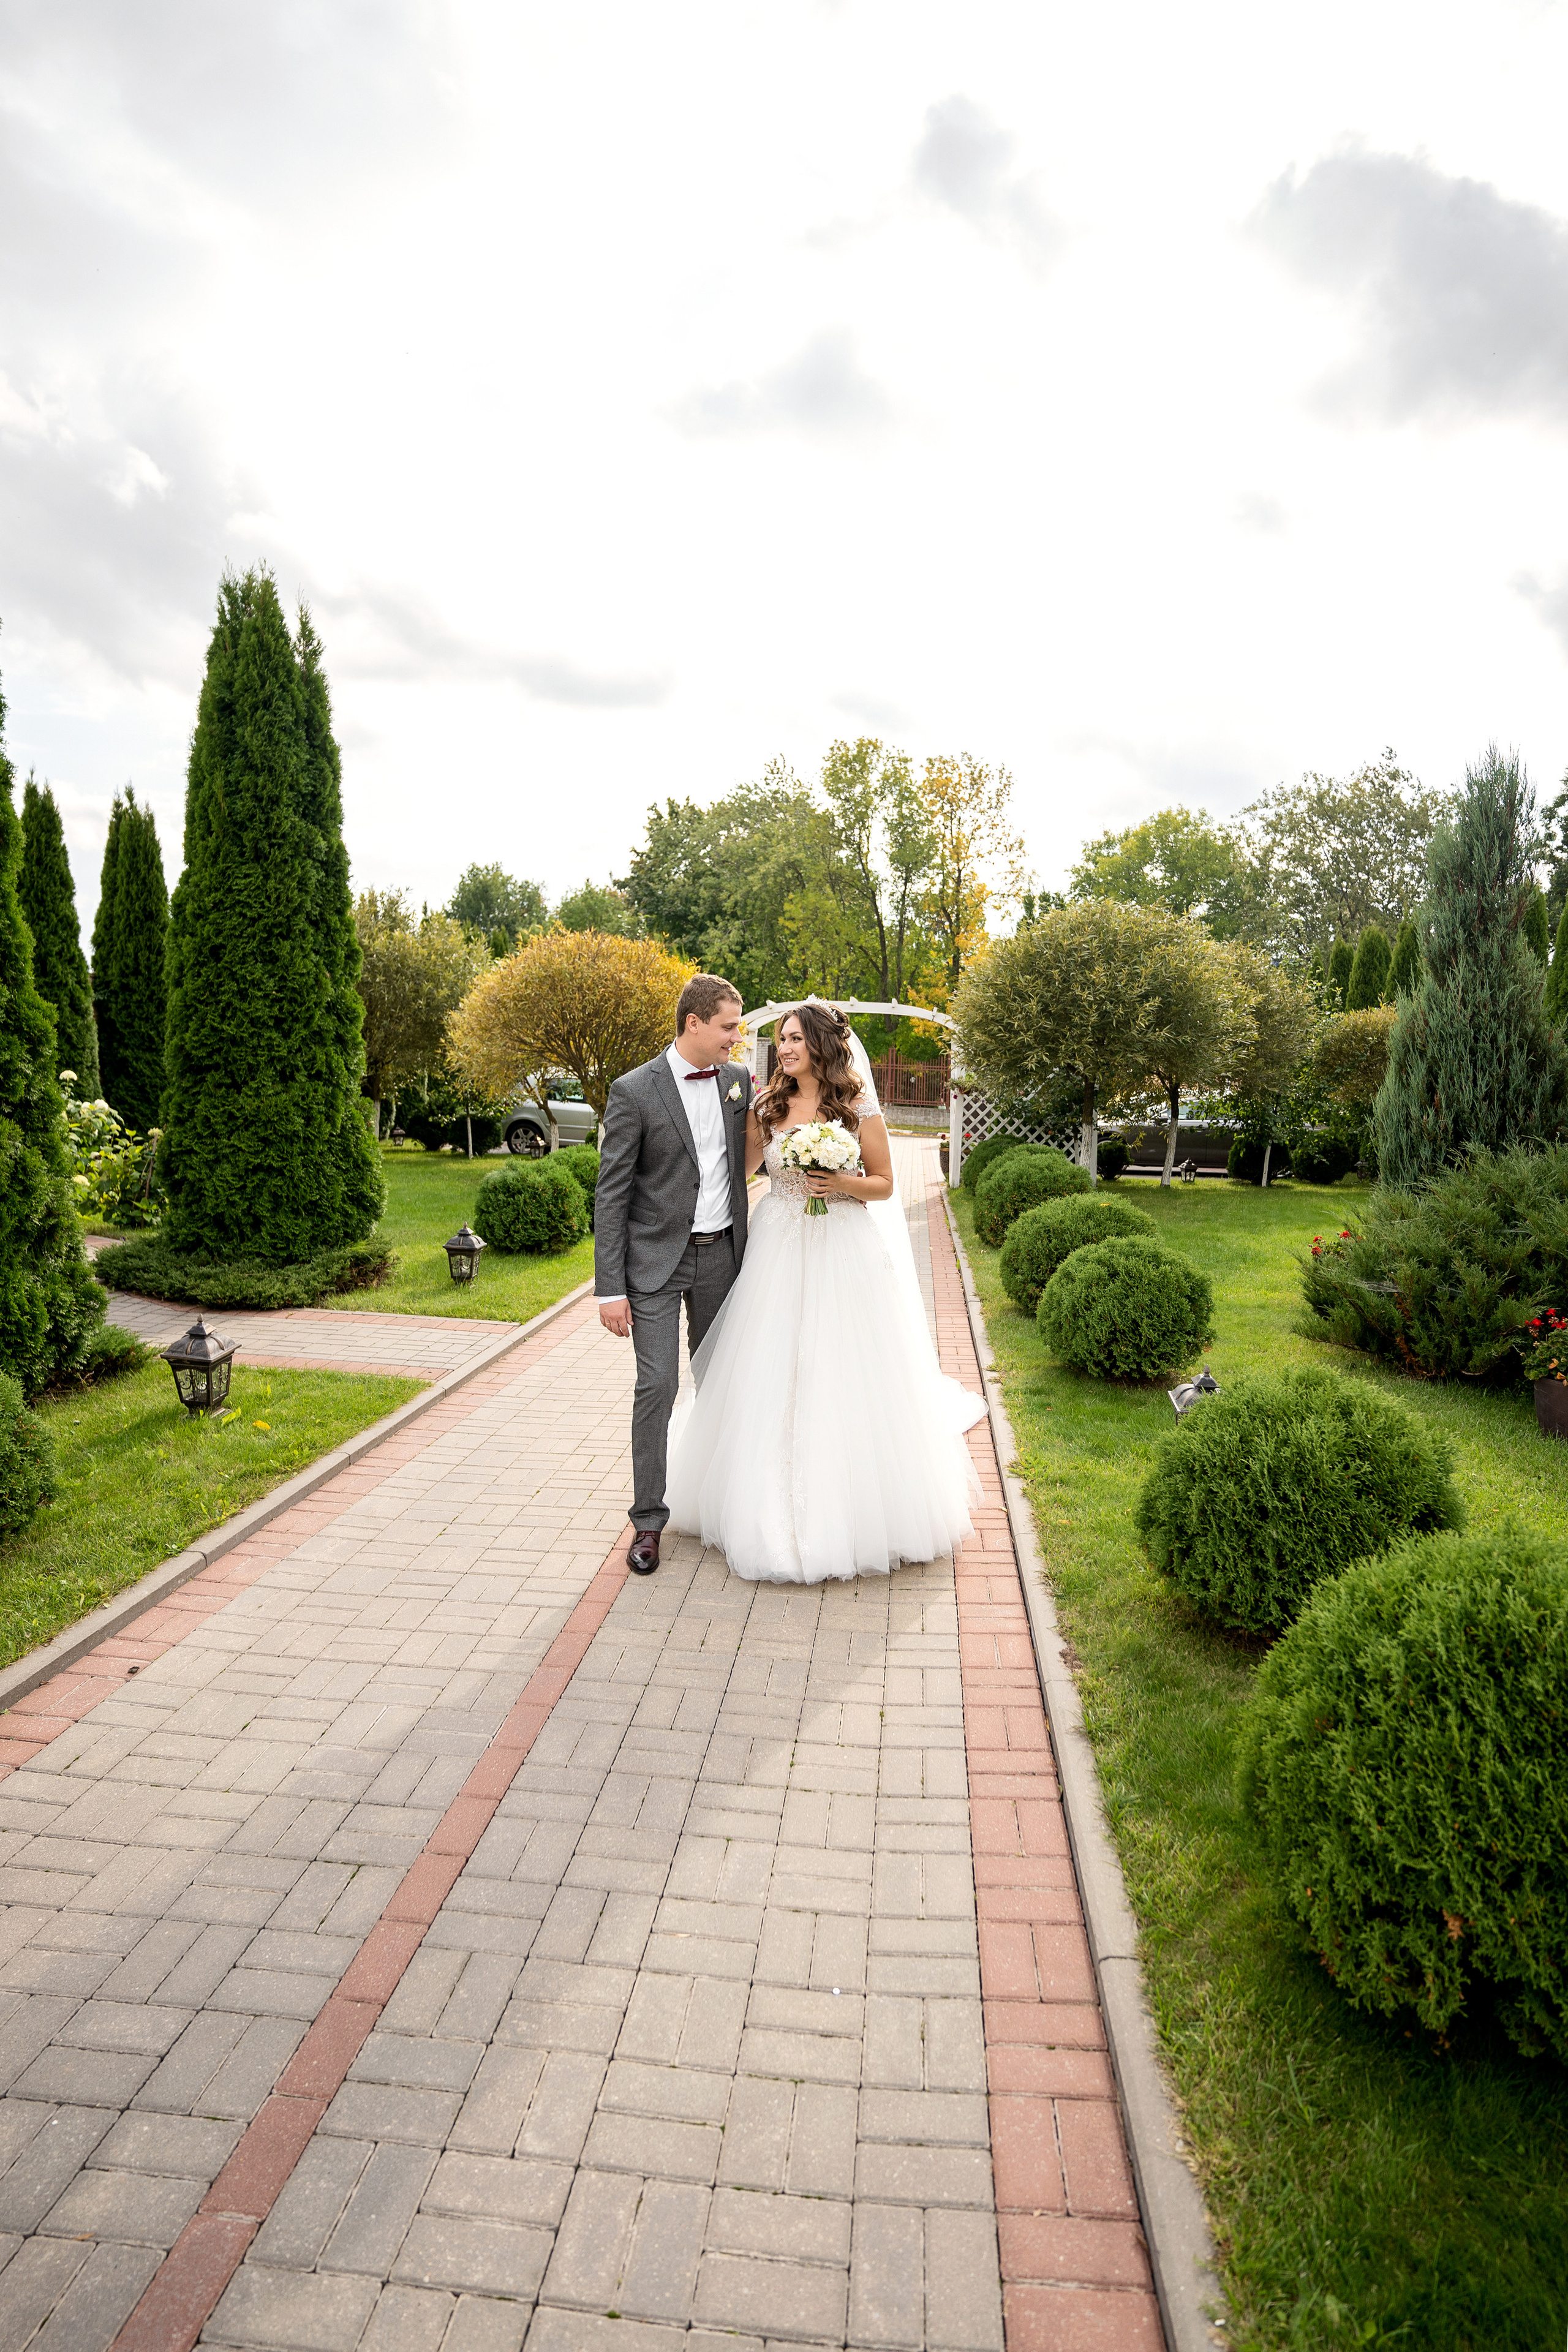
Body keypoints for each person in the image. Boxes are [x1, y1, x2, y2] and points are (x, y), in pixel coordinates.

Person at [665, 998, 984, 1585]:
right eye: (781, 1039)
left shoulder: (856, 1105)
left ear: (821, 1045)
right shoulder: (768, 1105)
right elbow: (737, 1172)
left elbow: (884, 1184)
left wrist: (839, 1181)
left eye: (794, 1039)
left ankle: (853, 1506)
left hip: (843, 1246)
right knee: (772, 1364)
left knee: (842, 1365)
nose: (784, 1049)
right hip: (778, 1246)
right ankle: (759, 1497)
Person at [594, 973, 755, 1575]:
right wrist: (610, 1288)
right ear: (694, 1023)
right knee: (657, 1386)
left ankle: (723, 1507)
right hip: (654, 1263)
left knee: (720, 1381)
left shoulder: (739, 1081)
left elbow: (749, 1157)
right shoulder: (634, 1090)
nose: (736, 1038)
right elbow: (611, 1195)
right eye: (728, 1027)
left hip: (723, 1257)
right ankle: (647, 1521)